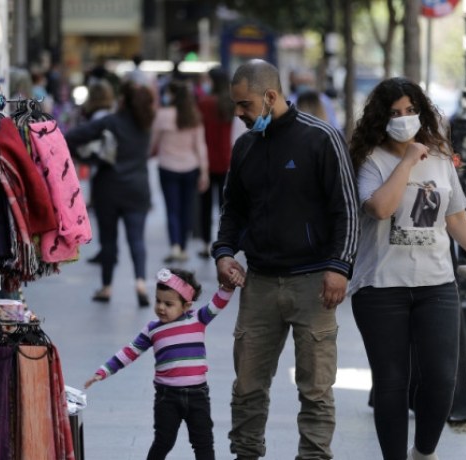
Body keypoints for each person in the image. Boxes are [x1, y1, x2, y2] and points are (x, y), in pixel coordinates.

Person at [347, 77, 466, 460]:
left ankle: (424, 452)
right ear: (381, 119)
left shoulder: (440, 159)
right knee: (391, 383)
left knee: (441, 380)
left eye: (410, 111)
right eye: (395, 113)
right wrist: (406, 161)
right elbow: (380, 208)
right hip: (381, 287)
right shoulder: (369, 160)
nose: (404, 119)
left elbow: (457, 217)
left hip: (436, 285)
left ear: (422, 112)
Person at [212, 59, 359, 460]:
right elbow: (232, 210)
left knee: (316, 390)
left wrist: (339, 267)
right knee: (247, 388)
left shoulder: (322, 138)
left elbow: (346, 209)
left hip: (315, 285)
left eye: (244, 105)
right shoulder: (244, 147)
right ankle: (246, 454)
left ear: (270, 96)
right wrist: (224, 253)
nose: (238, 114)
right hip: (258, 284)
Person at [84, 267, 242, 460]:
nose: (160, 307)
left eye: (168, 304)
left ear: (186, 306)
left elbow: (219, 302)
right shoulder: (152, 329)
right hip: (167, 398)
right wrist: (104, 371)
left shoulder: (198, 318)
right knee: (163, 441)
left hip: (198, 396)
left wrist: (228, 286)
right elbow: (130, 351)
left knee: (203, 443)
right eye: (158, 301)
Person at [65, 82, 156, 307]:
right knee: (136, 239)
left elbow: (72, 137)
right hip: (138, 188)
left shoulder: (110, 123)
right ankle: (141, 283)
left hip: (108, 187)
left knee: (108, 240)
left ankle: (107, 287)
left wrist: (90, 158)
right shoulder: (146, 124)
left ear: (122, 100)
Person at [150, 79, 209, 263]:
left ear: (173, 96)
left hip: (167, 167)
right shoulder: (194, 116)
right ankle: (183, 246)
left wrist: (148, 154)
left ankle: (175, 246)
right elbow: (200, 147)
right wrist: (204, 171)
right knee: (187, 209)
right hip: (190, 167)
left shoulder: (163, 115)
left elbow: (153, 143)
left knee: (172, 208)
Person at [196, 67, 239, 258]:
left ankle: (205, 243)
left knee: (205, 206)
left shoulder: (204, 103)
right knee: (225, 206)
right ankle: (225, 243)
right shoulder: (232, 104)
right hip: (227, 161)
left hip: (206, 161)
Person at [75, 79, 116, 265]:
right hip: (111, 167)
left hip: (100, 167)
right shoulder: (111, 113)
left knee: (103, 213)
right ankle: (108, 249)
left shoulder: (97, 117)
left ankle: (107, 250)